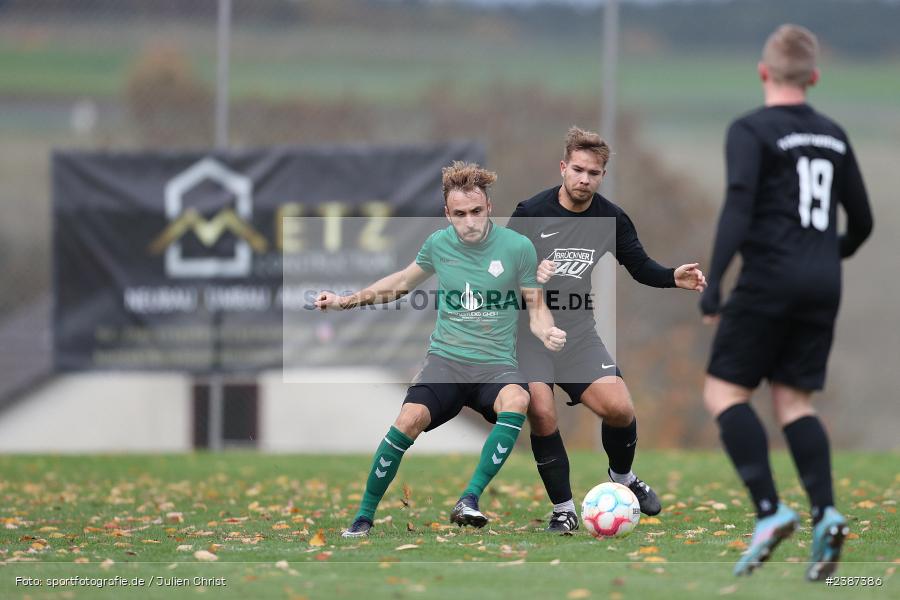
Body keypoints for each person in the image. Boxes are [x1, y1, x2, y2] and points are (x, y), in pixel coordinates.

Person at [699, 25, 873, 580]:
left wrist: (715, 280)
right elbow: (863, 221)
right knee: (795, 403)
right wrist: (826, 254)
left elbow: (739, 206)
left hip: (769, 278)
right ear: (814, 77)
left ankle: (770, 513)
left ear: (763, 72)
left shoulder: (751, 130)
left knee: (724, 391)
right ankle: (826, 512)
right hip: (823, 283)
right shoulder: (835, 135)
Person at [316, 161, 567, 537]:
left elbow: (536, 306)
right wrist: (345, 301)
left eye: (477, 212)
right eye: (460, 214)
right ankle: (363, 518)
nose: (470, 222)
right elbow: (400, 282)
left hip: (496, 367)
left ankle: (469, 499)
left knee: (518, 399)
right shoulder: (437, 244)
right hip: (446, 364)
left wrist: (547, 332)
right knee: (407, 421)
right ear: (447, 214)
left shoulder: (518, 248)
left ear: (488, 207)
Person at [508, 126, 707, 533]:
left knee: (620, 409)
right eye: (577, 169)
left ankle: (623, 478)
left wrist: (673, 276)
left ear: (602, 176)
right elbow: (500, 266)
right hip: (531, 334)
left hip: (578, 333)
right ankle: (563, 509)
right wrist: (528, 272)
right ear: (563, 167)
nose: (584, 179)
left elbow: (640, 266)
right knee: (542, 412)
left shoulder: (610, 218)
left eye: (593, 173)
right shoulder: (531, 212)